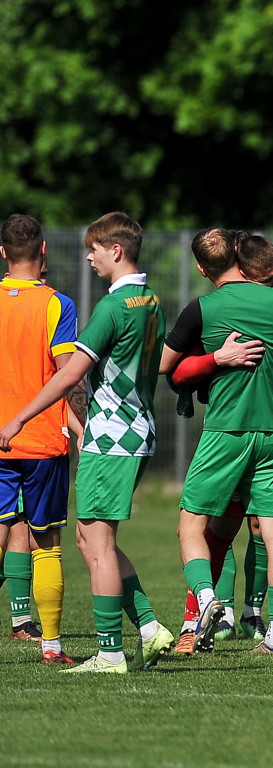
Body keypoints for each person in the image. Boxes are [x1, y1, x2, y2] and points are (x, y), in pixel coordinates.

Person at [0, 211, 175, 673]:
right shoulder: (150, 299)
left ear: (115, 250)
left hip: (111, 435)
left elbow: (71, 372)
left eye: (93, 250)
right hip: (136, 430)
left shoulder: (112, 307)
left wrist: (19, 418)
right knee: (86, 538)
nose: (89, 259)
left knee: (95, 544)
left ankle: (111, 653)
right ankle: (150, 627)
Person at [160, 231, 273, 654]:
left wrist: (216, 359)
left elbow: (165, 367)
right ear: (245, 265)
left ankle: (206, 602)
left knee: (192, 525)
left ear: (203, 270)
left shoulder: (202, 308)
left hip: (226, 430)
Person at [0, 213, 81, 665]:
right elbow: (69, 375)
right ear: (44, 250)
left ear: (2, 252)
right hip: (44, 440)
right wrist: (83, 429)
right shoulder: (57, 305)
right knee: (45, 542)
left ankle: (20, 623)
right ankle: (51, 645)